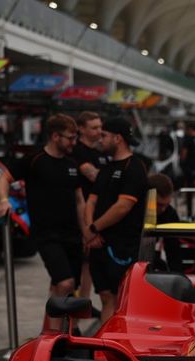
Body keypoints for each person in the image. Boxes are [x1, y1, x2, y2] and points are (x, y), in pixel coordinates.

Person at [0, 114, 84, 329]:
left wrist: (87, 233)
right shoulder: (34, 160)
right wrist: (4, 201)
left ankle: (51, 333)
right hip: (47, 235)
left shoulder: (72, 164)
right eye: (70, 138)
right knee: (65, 283)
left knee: (63, 288)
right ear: (55, 136)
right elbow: (2, 179)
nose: (73, 142)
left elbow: (80, 201)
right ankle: (53, 336)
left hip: (72, 235)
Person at [84, 116, 150, 323]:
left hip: (121, 247)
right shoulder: (106, 169)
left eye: (104, 135)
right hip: (98, 244)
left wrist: (94, 228)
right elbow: (91, 201)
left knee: (120, 298)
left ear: (117, 138)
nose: (99, 139)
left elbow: (123, 207)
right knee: (105, 297)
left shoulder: (135, 168)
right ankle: (103, 349)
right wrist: (89, 231)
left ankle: (115, 347)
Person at [72, 111, 107, 307]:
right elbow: (93, 176)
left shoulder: (101, 153)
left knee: (89, 263)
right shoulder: (78, 152)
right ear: (82, 129)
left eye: (100, 127)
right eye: (94, 128)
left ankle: (84, 303)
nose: (98, 131)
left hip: (98, 215)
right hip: (83, 213)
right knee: (80, 261)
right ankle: (74, 304)